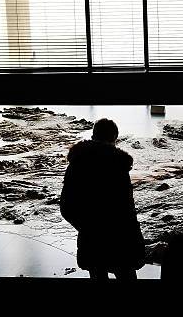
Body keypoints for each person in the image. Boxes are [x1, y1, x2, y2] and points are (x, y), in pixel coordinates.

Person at [60, 118, 145, 281]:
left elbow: (66, 207)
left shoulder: (76, 164)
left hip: (91, 239)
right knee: (127, 276)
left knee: (98, 277)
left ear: (93, 136)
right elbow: (127, 209)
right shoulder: (118, 165)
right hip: (120, 240)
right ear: (114, 138)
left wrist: (85, 226)